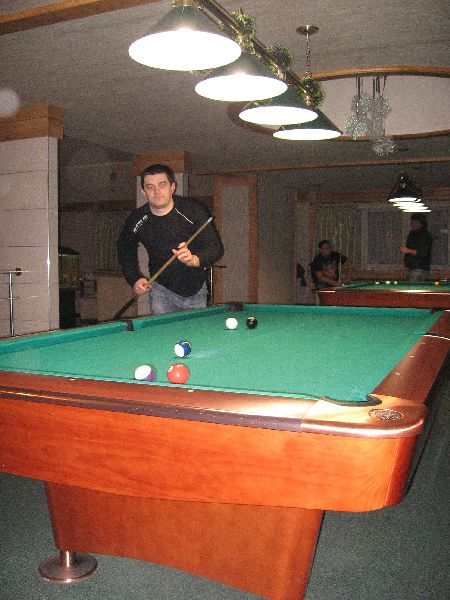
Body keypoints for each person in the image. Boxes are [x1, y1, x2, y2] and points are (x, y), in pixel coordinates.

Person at [117, 163, 224, 314]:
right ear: (143, 192)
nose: (157, 191)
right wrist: (134, 278)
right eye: (150, 187)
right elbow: (124, 249)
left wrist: (194, 259)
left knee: (194, 330)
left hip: (195, 289)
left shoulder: (193, 210)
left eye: (162, 185)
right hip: (161, 290)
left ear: (172, 187)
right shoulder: (137, 219)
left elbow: (215, 248)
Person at [400, 213, 432, 282]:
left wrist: (408, 250)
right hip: (409, 269)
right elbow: (407, 254)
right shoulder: (411, 234)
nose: (413, 225)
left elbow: (422, 253)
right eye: (412, 223)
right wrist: (403, 268)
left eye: (416, 223)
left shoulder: (425, 235)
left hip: (419, 269)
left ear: (422, 224)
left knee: (412, 288)